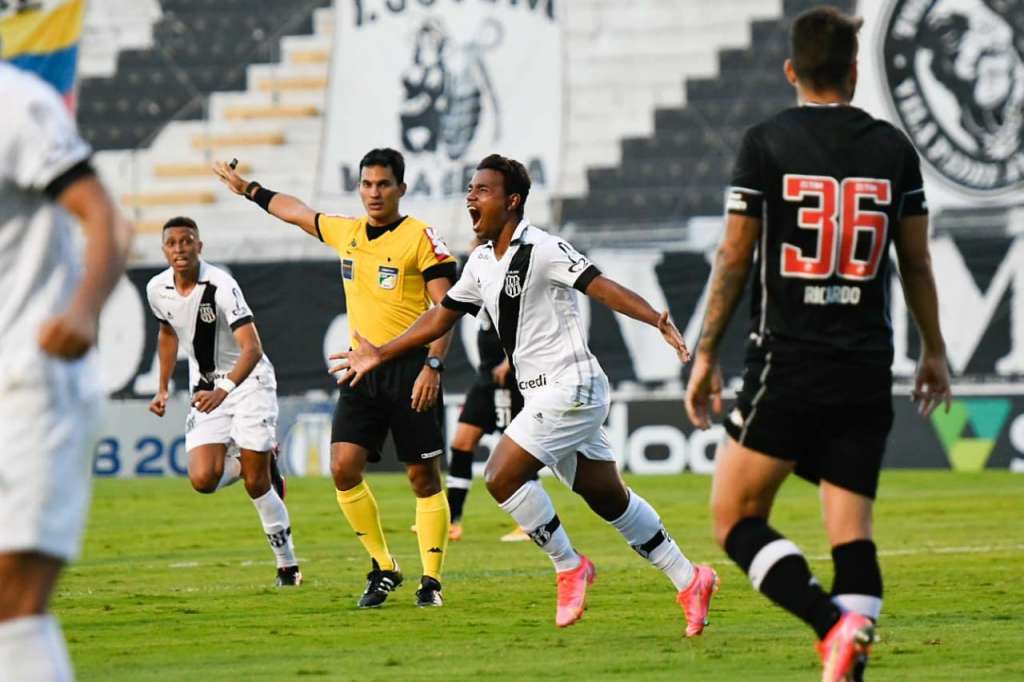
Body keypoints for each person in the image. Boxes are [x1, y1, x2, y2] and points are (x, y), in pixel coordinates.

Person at [333, 154, 719, 633]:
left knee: (500, 476)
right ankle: (690, 579)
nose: (471, 197)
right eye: (471, 189)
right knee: (608, 498)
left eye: (483, 190)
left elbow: (600, 286)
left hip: (572, 384)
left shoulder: (543, 247)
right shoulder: (479, 262)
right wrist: (381, 352)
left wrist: (655, 319)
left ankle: (570, 566)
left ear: (512, 201)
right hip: (542, 395)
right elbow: (440, 316)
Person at [683, 7, 952, 681]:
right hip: (867, 364)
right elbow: (917, 263)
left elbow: (734, 256)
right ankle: (848, 659)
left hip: (789, 361)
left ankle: (832, 624)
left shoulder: (766, 143)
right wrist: (933, 350)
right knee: (851, 531)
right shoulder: (893, 149)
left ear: (791, 71)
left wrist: (707, 353)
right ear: (854, 71)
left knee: (735, 518)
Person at [213, 148, 457, 608]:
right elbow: (297, 212)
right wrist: (248, 190)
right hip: (360, 368)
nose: (374, 193)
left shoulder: (420, 237)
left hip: (411, 371)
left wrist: (433, 365)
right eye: (367, 184)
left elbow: (447, 310)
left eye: (383, 184)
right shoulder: (348, 232)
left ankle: (431, 581)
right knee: (343, 468)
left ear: (402, 188)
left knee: (422, 476)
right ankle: (384, 566)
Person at [0, 61, 132, 680]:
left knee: (14, 606)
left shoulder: (16, 103)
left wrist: (83, 311)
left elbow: (106, 218)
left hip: (31, 387)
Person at [146, 216, 301, 587]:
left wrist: (225, 389)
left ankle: (287, 566)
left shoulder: (222, 286)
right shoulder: (157, 288)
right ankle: (256, 460)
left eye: (187, 241)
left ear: (199, 246)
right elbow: (167, 333)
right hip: (206, 387)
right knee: (203, 479)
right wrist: (162, 387)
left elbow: (253, 348)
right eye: (172, 243)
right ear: (164, 250)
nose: (180, 249)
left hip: (249, 383)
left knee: (256, 483)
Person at [445, 306, 530, 542]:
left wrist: (509, 363)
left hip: (507, 383)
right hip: (485, 381)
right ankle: (452, 522)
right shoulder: (481, 299)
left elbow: (529, 332)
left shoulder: (512, 295)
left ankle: (528, 524)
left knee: (519, 453)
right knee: (461, 444)